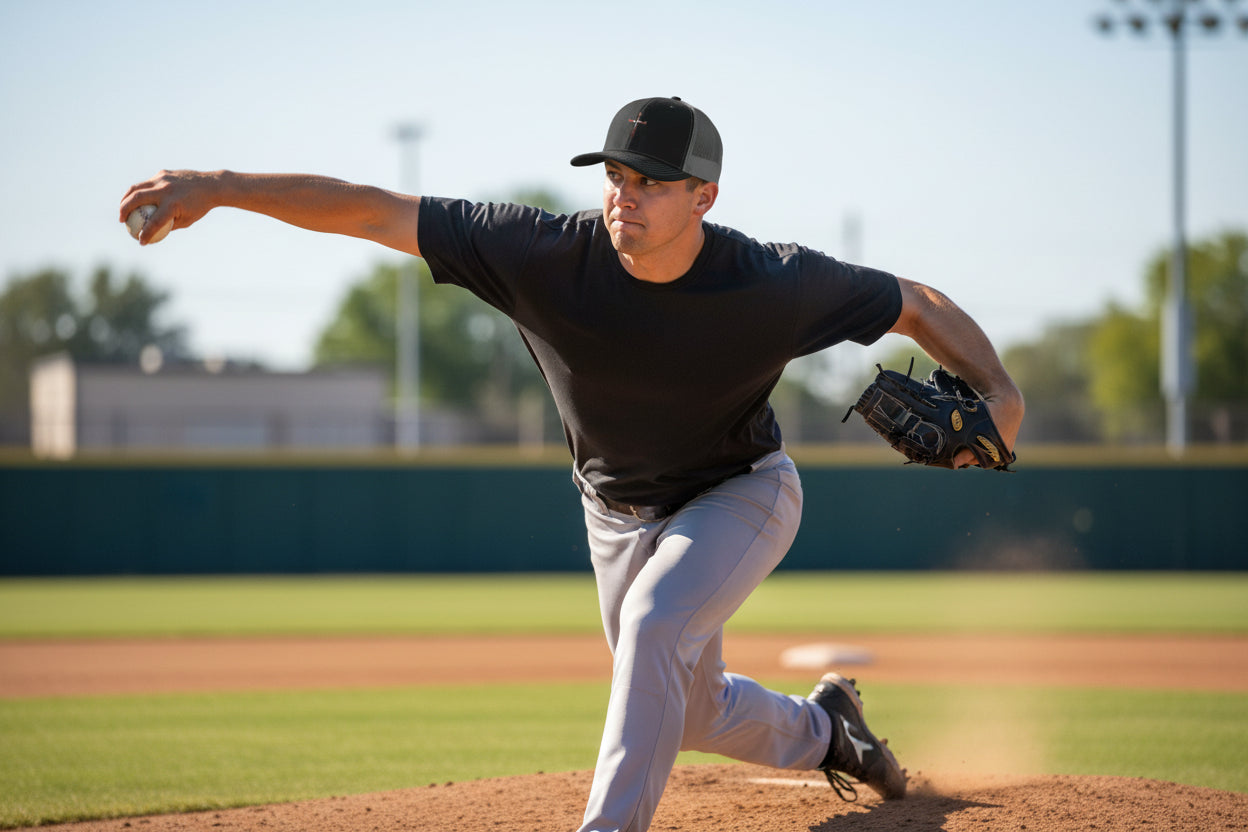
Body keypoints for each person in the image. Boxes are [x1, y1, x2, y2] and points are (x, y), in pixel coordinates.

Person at [120, 95, 1024, 832]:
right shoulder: (540, 255)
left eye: (653, 183)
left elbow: (917, 302)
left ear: (704, 196)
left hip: (739, 493)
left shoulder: (769, 282)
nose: (625, 196)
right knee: (689, 699)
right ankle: (834, 734)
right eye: (617, 177)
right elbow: (370, 209)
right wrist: (217, 185)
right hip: (615, 513)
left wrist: (1001, 393)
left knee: (656, 626)